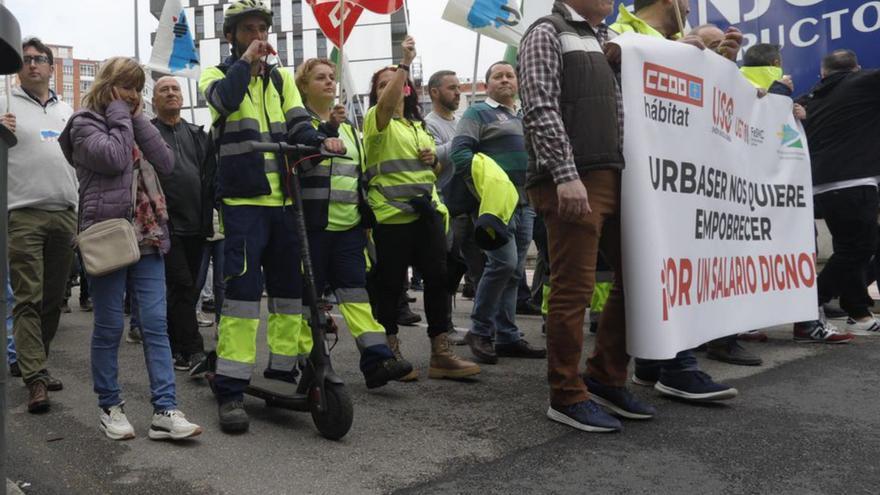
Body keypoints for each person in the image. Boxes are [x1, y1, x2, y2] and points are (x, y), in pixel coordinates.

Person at [199, 0, 345, 433]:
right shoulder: (219, 75)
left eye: (263, 28)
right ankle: (230, 387)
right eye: (249, 30)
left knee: (290, 293)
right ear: (233, 37)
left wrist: (322, 140)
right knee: (242, 298)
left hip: (284, 201)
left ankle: (284, 369)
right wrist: (244, 63)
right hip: (243, 203)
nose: (259, 36)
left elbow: (299, 124)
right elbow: (223, 104)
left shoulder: (282, 81)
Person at [519, 0, 655, 432]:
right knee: (573, 289)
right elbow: (540, 106)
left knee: (641, 278)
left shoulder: (607, 41)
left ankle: (605, 376)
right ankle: (566, 393)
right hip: (575, 177)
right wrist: (565, 174)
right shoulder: (547, 31)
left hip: (617, 175)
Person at [59, 56, 202, 441]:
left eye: (138, 88)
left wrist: (135, 116)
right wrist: (123, 112)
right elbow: (114, 158)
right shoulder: (83, 124)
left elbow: (167, 162)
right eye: (126, 86)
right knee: (108, 327)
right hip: (107, 235)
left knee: (155, 326)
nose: (133, 94)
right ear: (108, 85)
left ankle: (165, 409)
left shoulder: (132, 122)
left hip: (148, 234)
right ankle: (110, 405)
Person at [609, 0, 743, 400]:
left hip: (680, 176)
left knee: (667, 267)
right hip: (642, 172)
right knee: (663, 266)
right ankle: (679, 366)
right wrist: (675, 55)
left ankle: (653, 363)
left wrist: (722, 69)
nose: (688, 6)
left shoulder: (676, 42)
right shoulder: (619, 33)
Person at [364, 36, 480, 381]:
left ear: (408, 91)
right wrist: (403, 63)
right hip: (391, 218)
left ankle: (440, 354)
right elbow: (385, 107)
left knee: (439, 281)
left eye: (397, 83)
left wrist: (434, 162)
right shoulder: (376, 120)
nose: (393, 88)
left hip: (427, 217)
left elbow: (430, 174)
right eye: (384, 84)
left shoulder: (417, 127)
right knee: (389, 287)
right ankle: (390, 353)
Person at [293, 57, 413, 387]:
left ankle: (377, 362)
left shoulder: (350, 128)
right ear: (304, 86)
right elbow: (300, 167)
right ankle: (311, 365)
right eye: (321, 78)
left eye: (332, 77)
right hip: (313, 229)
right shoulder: (299, 123)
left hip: (348, 229)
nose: (330, 82)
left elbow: (358, 175)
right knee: (308, 301)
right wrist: (326, 129)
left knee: (356, 296)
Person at [0, 38, 78, 413]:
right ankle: (34, 377)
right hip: (24, 213)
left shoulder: (67, 110)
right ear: (19, 67)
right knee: (27, 297)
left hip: (64, 212)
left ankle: (37, 364)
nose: (32, 65)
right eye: (26, 59)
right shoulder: (4, 103)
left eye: (39, 60)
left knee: (53, 298)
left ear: (51, 68)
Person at [451, 61, 546, 365]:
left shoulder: (522, 117)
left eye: (510, 75)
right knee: (502, 264)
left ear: (518, 82)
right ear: (486, 84)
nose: (505, 80)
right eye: (498, 76)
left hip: (526, 204)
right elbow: (461, 153)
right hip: (495, 206)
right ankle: (479, 330)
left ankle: (507, 336)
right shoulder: (477, 113)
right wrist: (485, 191)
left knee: (516, 270)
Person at [794, 49, 880, 339]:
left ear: (823, 73)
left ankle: (857, 311)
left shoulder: (808, 99)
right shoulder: (864, 82)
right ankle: (808, 307)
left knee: (849, 249)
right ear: (856, 68)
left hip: (820, 186)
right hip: (854, 181)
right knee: (858, 249)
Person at [150, 76, 215, 376]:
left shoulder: (196, 133)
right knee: (182, 285)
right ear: (154, 99)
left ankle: (175, 346)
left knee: (186, 290)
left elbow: (207, 176)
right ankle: (193, 350)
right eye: (164, 90)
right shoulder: (148, 132)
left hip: (197, 225)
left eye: (175, 89)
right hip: (166, 224)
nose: (171, 93)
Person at [424, 69, 469, 345]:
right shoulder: (428, 124)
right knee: (445, 266)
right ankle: (444, 326)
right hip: (443, 203)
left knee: (462, 263)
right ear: (434, 92)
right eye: (452, 87)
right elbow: (433, 156)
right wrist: (463, 139)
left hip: (466, 201)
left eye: (459, 87)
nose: (458, 92)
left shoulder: (462, 121)